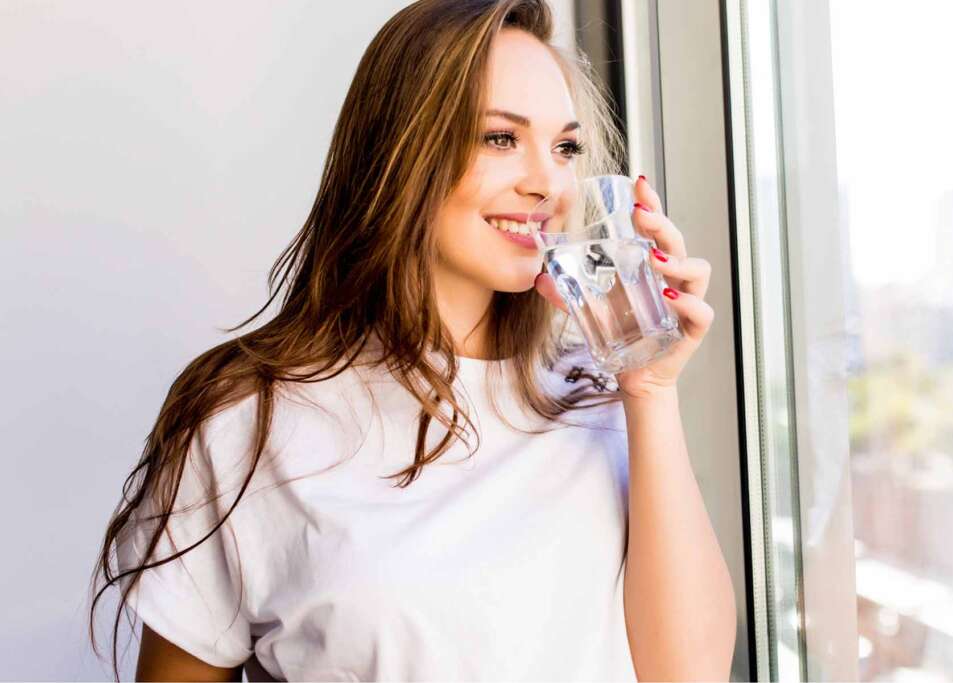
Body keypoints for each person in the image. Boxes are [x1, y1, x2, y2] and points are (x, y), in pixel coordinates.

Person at [88, 0, 732, 680]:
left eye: (565, 147)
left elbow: (689, 673)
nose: (548, 183)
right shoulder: (249, 423)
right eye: (499, 138)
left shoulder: (608, 394)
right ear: (402, 150)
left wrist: (650, 388)